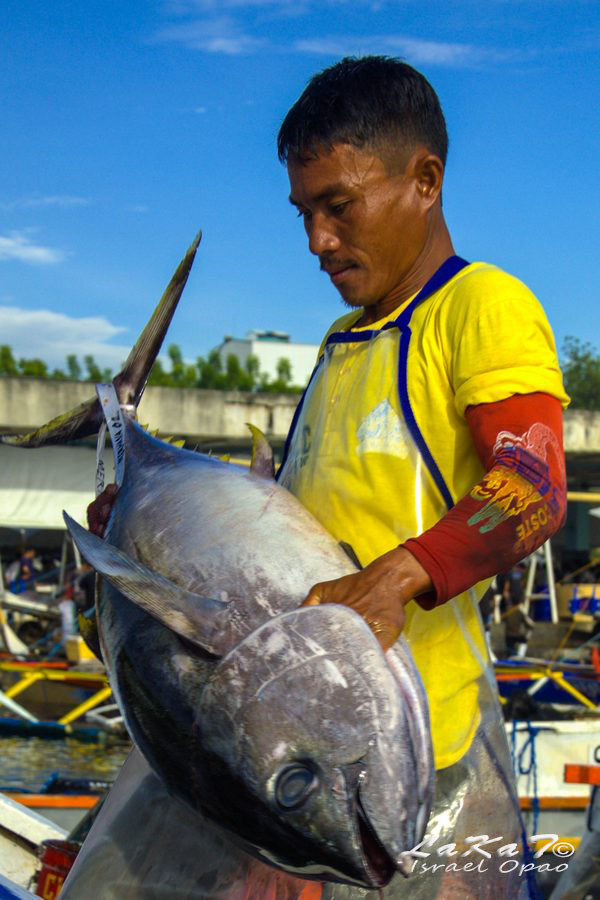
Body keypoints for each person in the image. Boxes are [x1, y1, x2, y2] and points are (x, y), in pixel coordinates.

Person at [83, 57, 568, 898]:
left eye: (337, 206)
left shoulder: (478, 307)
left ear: (425, 180)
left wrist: (393, 579)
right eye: (304, 213)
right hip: (306, 728)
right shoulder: (341, 343)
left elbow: (532, 487)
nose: (316, 241)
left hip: (421, 748)